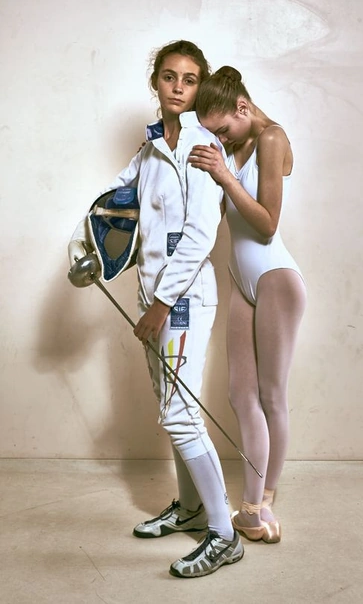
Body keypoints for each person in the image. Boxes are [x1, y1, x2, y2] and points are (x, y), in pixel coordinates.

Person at [68, 42, 244, 577]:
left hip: (182, 300)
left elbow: (200, 234)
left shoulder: (201, 145)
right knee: (172, 408)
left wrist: (162, 305)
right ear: (156, 82)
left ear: (200, 86)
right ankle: (190, 508)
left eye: (189, 79)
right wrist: (80, 243)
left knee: (180, 412)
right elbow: (114, 196)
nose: (178, 87)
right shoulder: (149, 146)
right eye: (169, 76)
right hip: (153, 297)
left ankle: (224, 534)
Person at [188, 66, 306, 544]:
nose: (219, 140)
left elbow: (267, 224)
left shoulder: (272, 137)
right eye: (212, 134)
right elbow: (215, 215)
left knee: (272, 395)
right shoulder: (235, 146)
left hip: (276, 279)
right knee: (241, 396)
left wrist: (223, 174)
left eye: (222, 129)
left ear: (243, 107)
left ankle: (259, 506)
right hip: (241, 280)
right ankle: (253, 511)